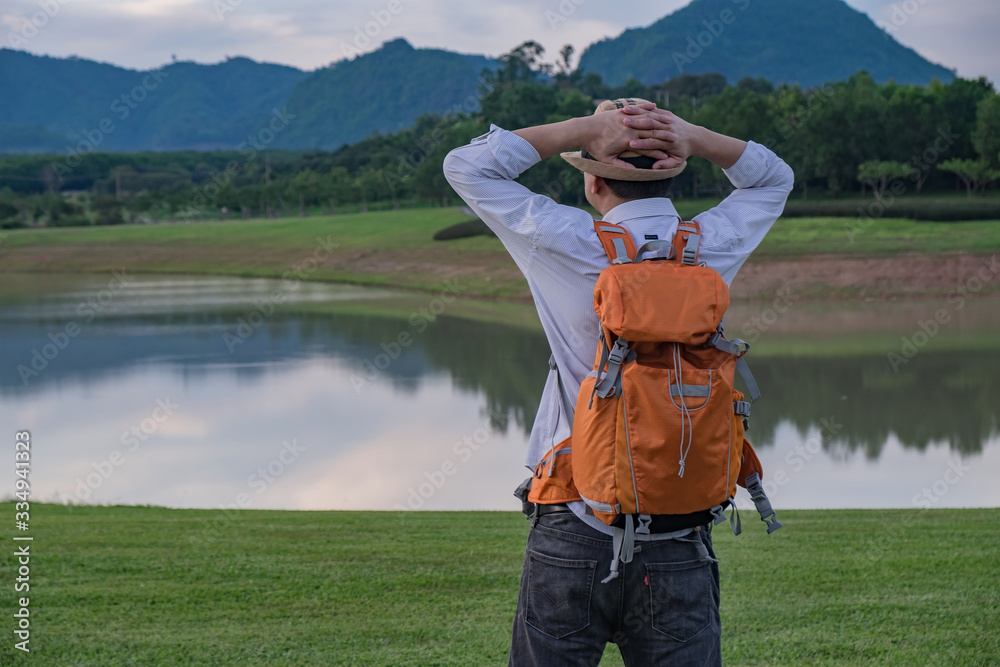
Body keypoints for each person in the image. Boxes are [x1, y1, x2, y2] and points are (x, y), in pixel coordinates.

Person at [443, 98, 793, 666]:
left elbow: (466, 165)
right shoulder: (710, 246)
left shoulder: (563, 238)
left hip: (574, 519)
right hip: (680, 531)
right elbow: (773, 178)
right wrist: (692, 135)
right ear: (672, 173)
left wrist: (586, 130)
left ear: (594, 184)